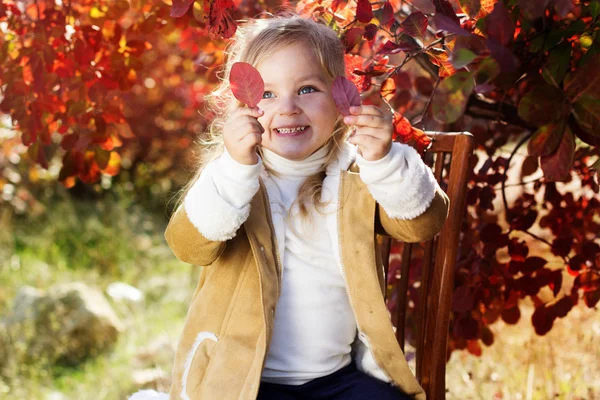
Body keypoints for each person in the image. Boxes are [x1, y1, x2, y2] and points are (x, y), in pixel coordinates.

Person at [129, 12, 448, 400]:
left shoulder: (359, 176)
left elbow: (421, 224)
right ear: (242, 107)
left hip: (338, 379)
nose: (288, 108)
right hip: (250, 381)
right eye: (266, 94)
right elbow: (188, 245)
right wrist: (235, 171)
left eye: (307, 89)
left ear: (340, 96)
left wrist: (383, 161)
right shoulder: (234, 179)